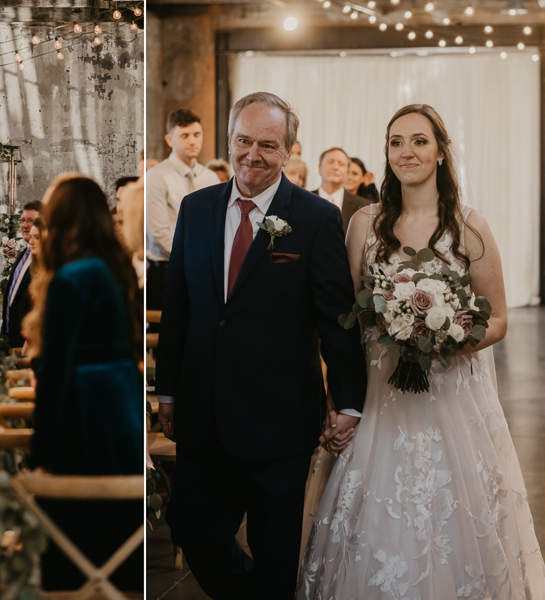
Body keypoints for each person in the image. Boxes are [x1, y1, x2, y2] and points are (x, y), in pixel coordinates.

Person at [298, 104, 545, 598]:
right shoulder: (365, 224)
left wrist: (446, 338)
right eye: (395, 142)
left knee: (452, 514)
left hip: (450, 393)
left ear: (439, 152)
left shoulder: (469, 227)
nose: (405, 152)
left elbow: (496, 318)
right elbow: (346, 314)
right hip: (380, 392)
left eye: (418, 141)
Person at [156, 92, 367, 598]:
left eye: (268, 145)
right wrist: (167, 392)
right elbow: (179, 309)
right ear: (229, 140)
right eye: (244, 141)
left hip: (281, 418)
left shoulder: (316, 219)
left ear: (289, 150)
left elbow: (336, 320)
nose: (254, 154)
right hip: (204, 413)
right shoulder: (196, 208)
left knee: (276, 552)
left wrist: (349, 400)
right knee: (194, 530)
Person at [23, 174, 143, 592]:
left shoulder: (72, 277)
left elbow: (55, 372)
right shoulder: (112, 267)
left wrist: (39, 455)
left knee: (75, 529)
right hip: (119, 406)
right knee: (112, 531)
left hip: (85, 412)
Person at [146, 108, 220, 321]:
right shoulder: (157, 176)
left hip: (205, 270)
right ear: (170, 139)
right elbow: (160, 234)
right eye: (184, 135)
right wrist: (195, 261)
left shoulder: (211, 177)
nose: (192, 141)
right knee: (167, 338)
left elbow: (216, 226)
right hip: (168, 270)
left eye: (197, 135)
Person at [0, 200, 41, 348]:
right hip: (12, 338)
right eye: (23, 220)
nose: (24, 225)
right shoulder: (23, 254)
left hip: (30, 342)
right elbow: (12, 297)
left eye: (31, 221)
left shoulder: (44, 259)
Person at [311, 147, 371, 233]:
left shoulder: (364, 207)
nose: (335, 167)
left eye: (341, 164)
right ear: (319, 168)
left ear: (347, 172)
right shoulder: (303, 200)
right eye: (330, 162)